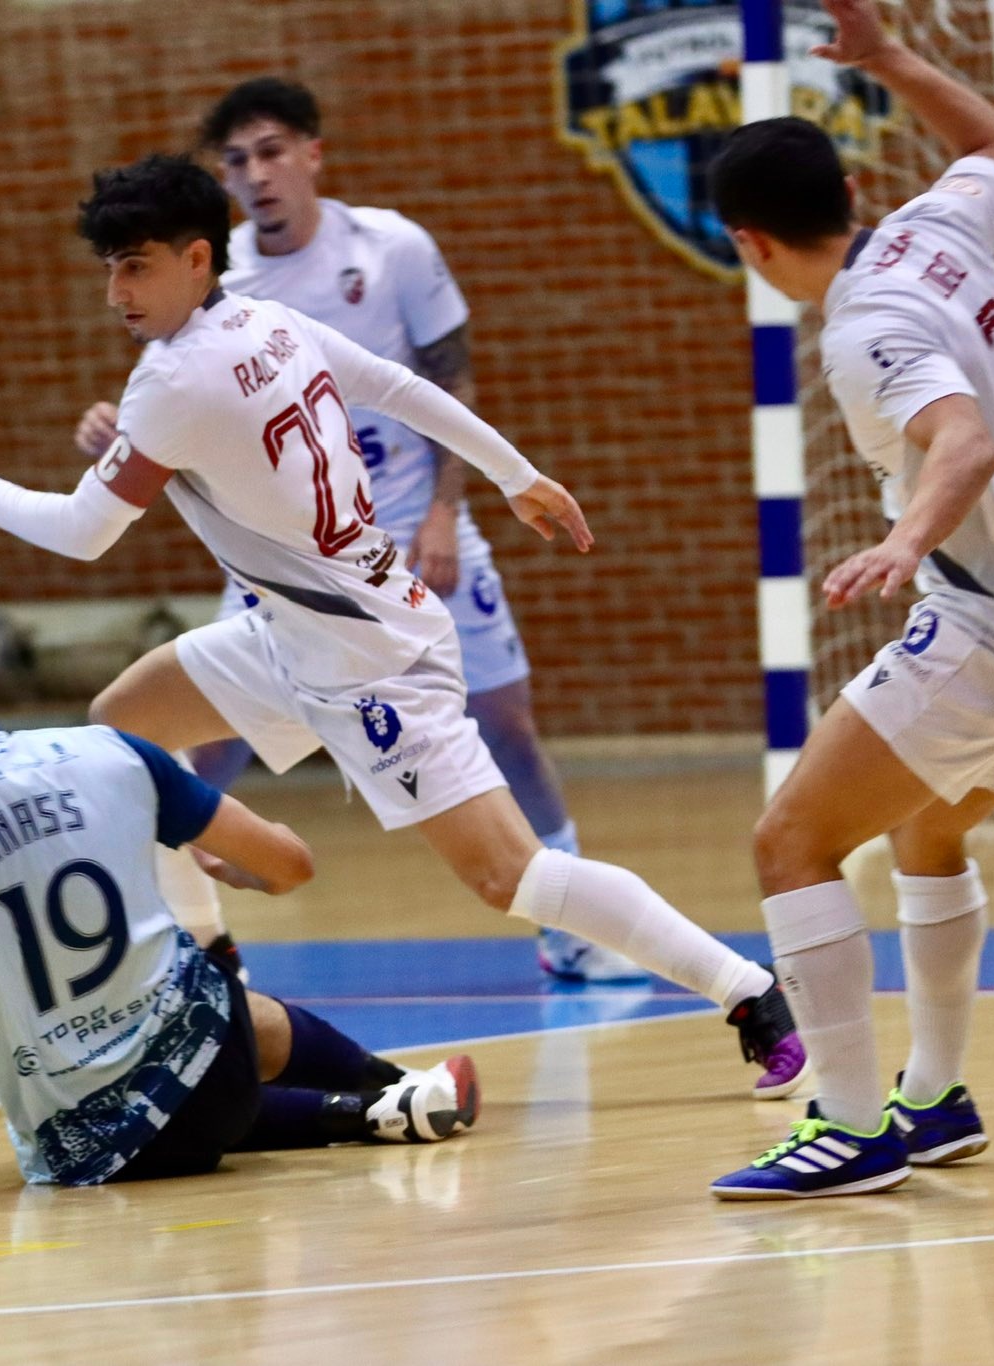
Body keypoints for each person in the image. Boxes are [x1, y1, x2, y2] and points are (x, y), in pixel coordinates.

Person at [0, 153, 806, 1099]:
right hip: (298, 633)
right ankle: (220, 979)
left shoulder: (172, 380)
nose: (114, 293)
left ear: (195, 258)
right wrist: (515, 473)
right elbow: (398, 386)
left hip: (371, 659)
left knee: (513, 877)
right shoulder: (269, 318)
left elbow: (86, 533)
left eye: (134, 266)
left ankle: (748, 993)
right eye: (107, 269)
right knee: (125, 733)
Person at [71, 78, 637, 982]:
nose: (256, 173)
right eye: (236, 160)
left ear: (312, 155)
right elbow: (176, 420)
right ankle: (195, 928)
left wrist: (454, 505)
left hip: (404, 526)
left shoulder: (391, 246)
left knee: (504, 718)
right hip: (284, 555)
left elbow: (437, 380)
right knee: (186, 737)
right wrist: (116, 441)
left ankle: (568, 924)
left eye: (271, 151)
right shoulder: (205, 278)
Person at [703, 0, 994, 1198]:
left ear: (747, 242)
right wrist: (890, 60)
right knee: (926, 829)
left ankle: (844, 1123)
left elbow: (962, 442)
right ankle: (932, 1096)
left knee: (788, 843)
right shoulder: (928, 225)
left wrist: (901, 538)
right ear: (844, 186)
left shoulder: (863, 323)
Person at [0, 609, 477, 1208]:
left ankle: (362, 1110)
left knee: (152, 1107)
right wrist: (242, 875)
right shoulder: (110, 750)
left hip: (111, 1142)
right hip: (221, 1047)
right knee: (237, 1010)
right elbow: (291, 865)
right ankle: (393, 1088)